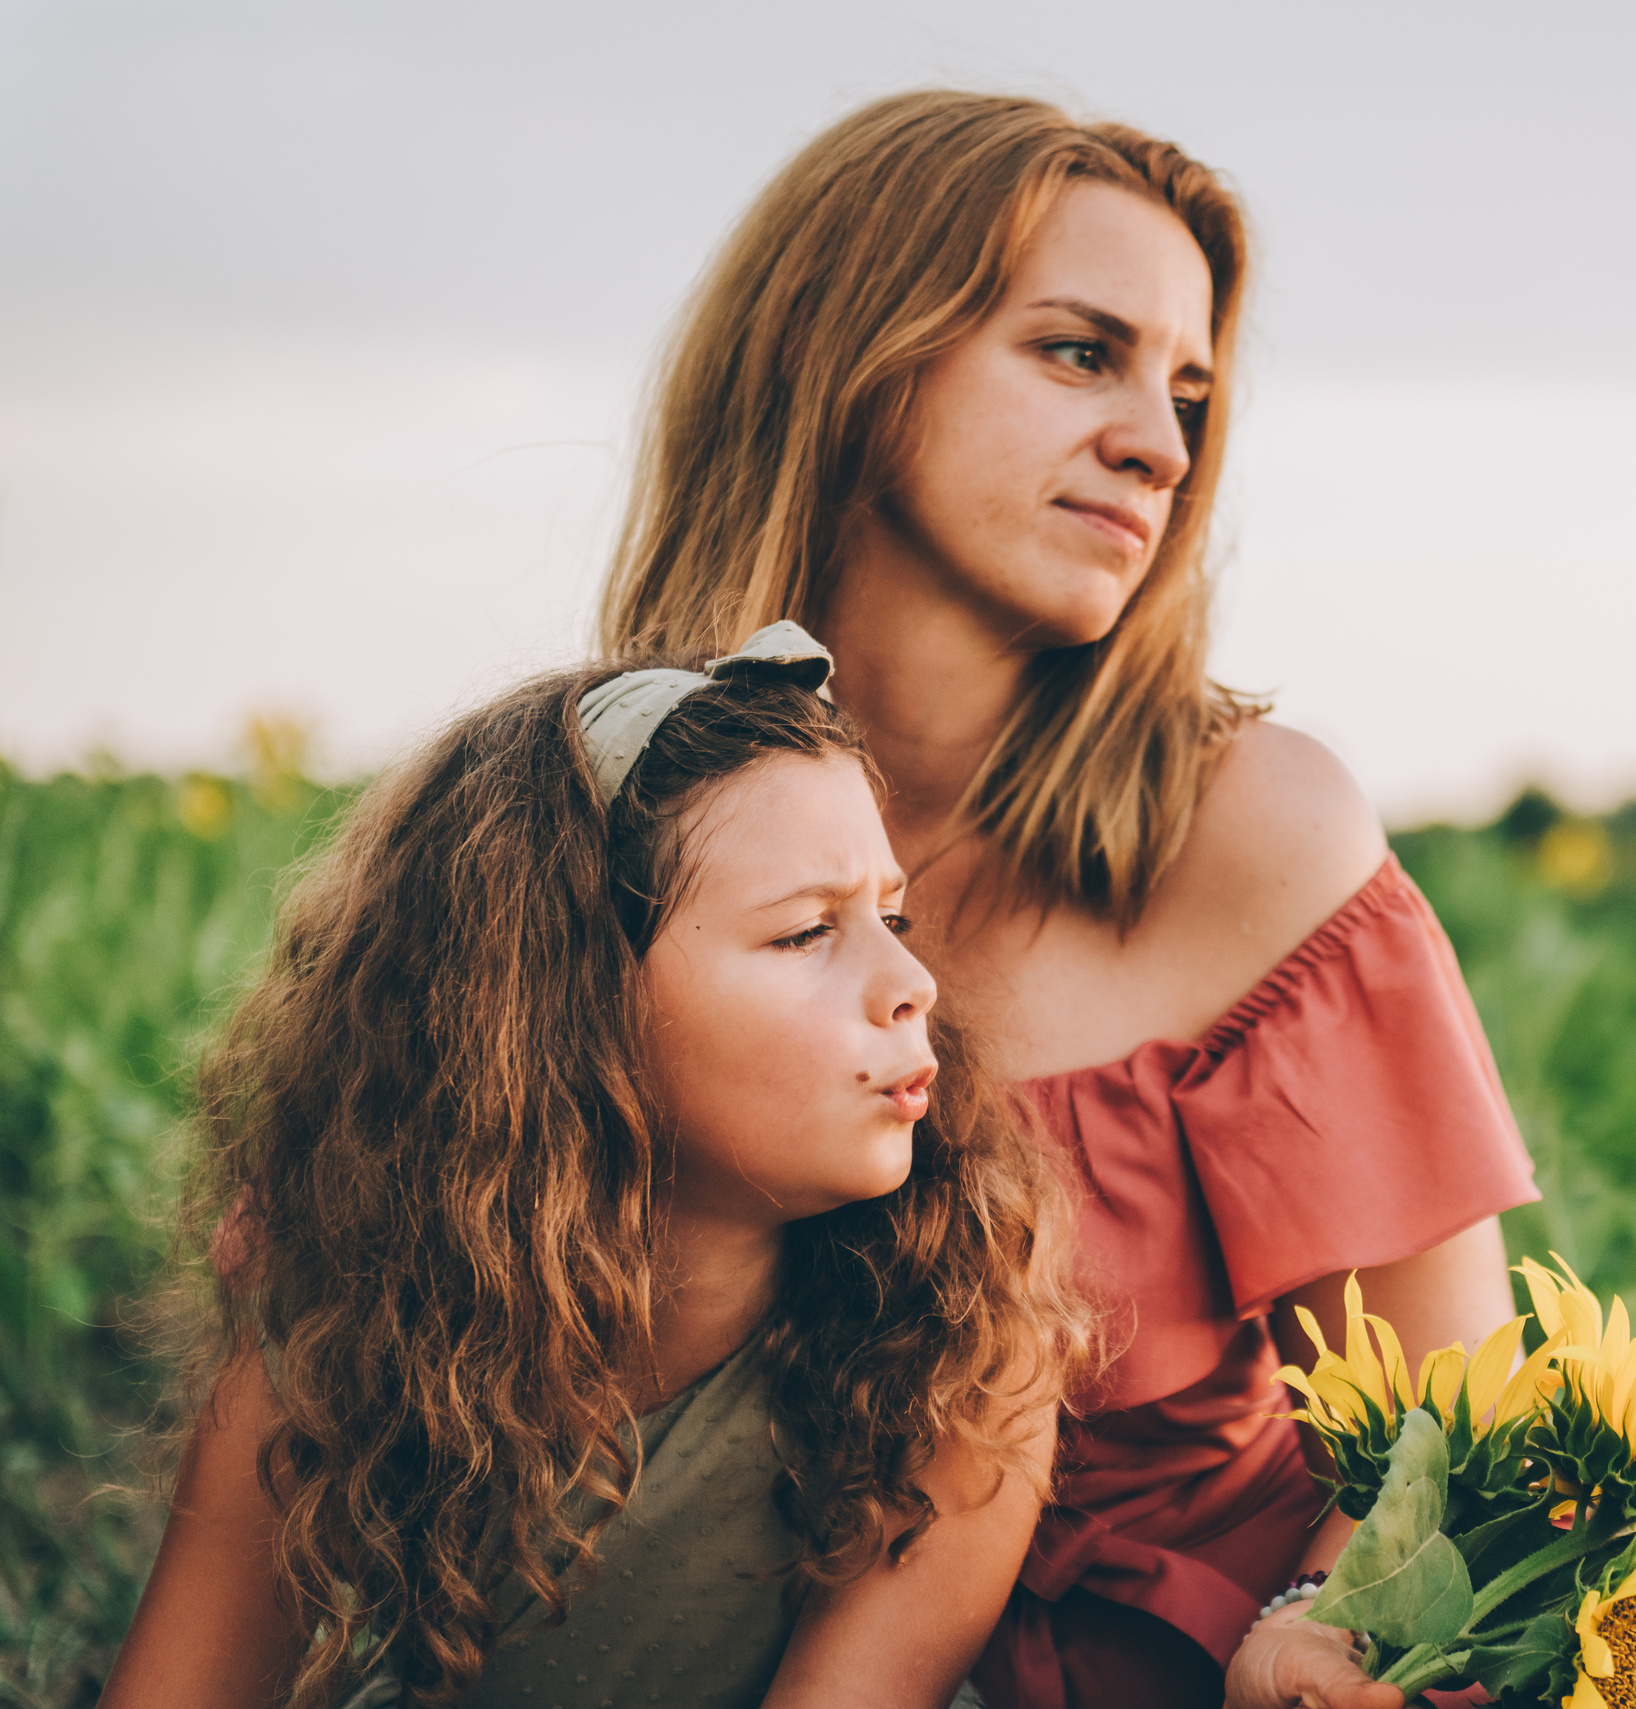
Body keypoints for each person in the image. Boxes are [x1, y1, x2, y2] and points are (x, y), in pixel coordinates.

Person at [601, 92, 1541, 1709]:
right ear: (853, 351)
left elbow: (1454, 1419)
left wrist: (1328, 1609)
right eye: (1078, 351)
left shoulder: (1250, 830)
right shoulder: (597, 816)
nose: (1160, 446)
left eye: (1188, 392)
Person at [102, 625, 1092, 1709]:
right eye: (808, 933)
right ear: (569, 1007)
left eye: (891, 916)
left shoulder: (956, 1354)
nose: (911, 978)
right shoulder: (349, 1314)